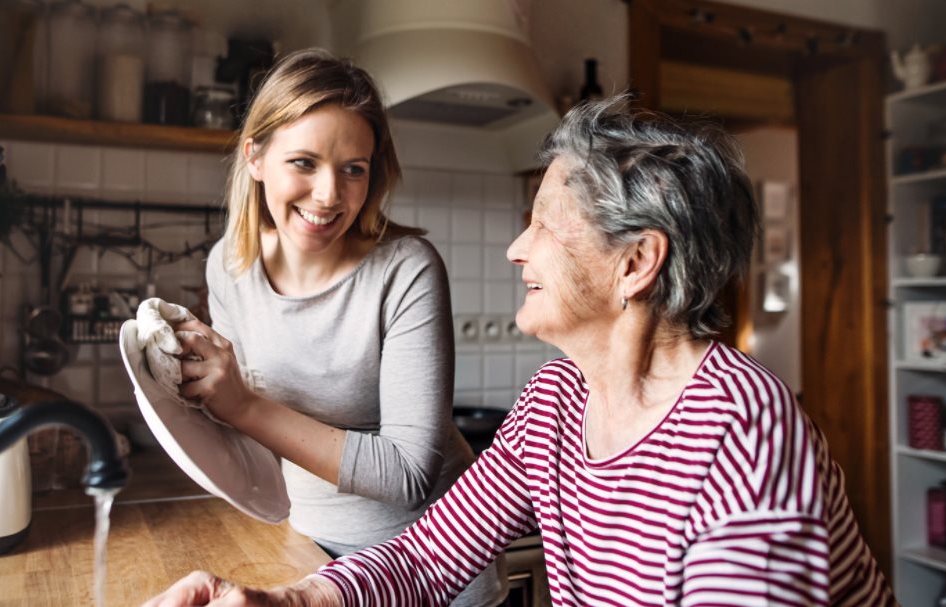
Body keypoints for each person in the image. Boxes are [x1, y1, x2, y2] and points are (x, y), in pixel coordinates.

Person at [146, 96, 896, 606]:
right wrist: (289, 599)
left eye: (541, 223)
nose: (514, 249)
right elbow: (427, 554)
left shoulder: (744, 429)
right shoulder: (555, 402)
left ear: (635, 263)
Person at [167, 48, 505, 605]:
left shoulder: (406, 269)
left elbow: (407, 476)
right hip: (310, 552)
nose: (329, 195)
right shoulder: (231, 265)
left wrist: (243, 405)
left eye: (354, 169)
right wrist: (195, 391)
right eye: (304, 162)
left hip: (431, 571)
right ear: (255, 157)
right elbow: (246, 434)